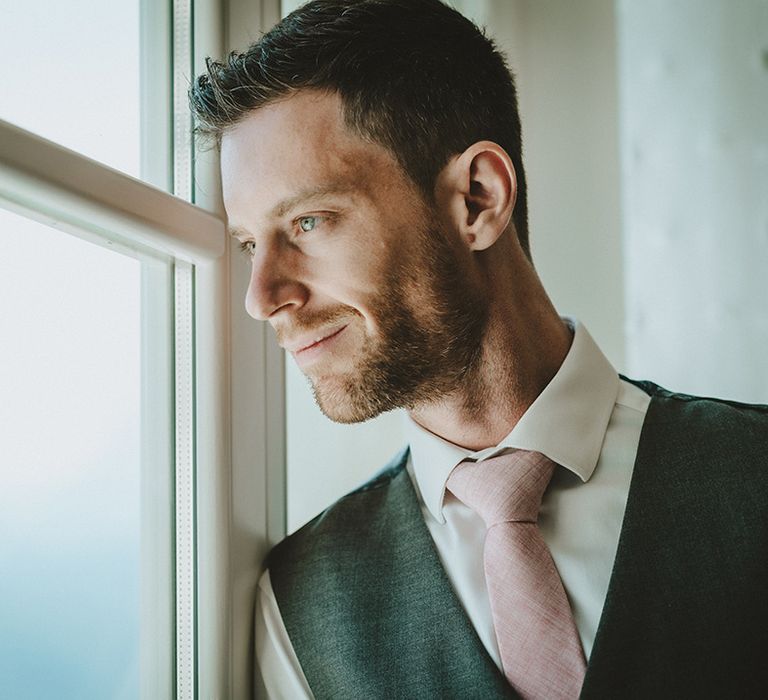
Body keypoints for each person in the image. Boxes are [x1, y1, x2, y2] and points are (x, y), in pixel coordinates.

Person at [189, 0, 768, 697]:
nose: (261, 296)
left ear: (476, 198)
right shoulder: (297, 608)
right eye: (251, 243)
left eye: (308, 222)